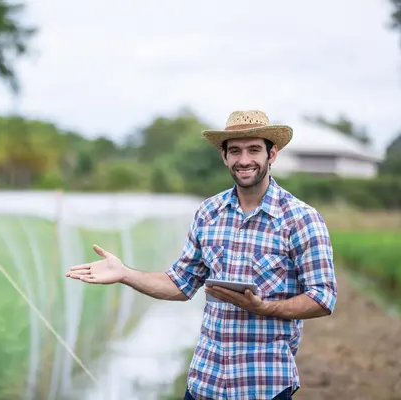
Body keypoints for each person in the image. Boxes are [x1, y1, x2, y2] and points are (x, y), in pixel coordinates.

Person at [65, 110, 337, 400]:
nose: (244, 160)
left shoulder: (301, 219)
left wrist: (265, 308)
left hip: (262, 384)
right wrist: (125, 274)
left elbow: (322, 297)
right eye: (235, 151)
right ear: (224, 156)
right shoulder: (209, 213)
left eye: (254, 150)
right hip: (205, 380)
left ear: (273, 154)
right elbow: (180, 284)